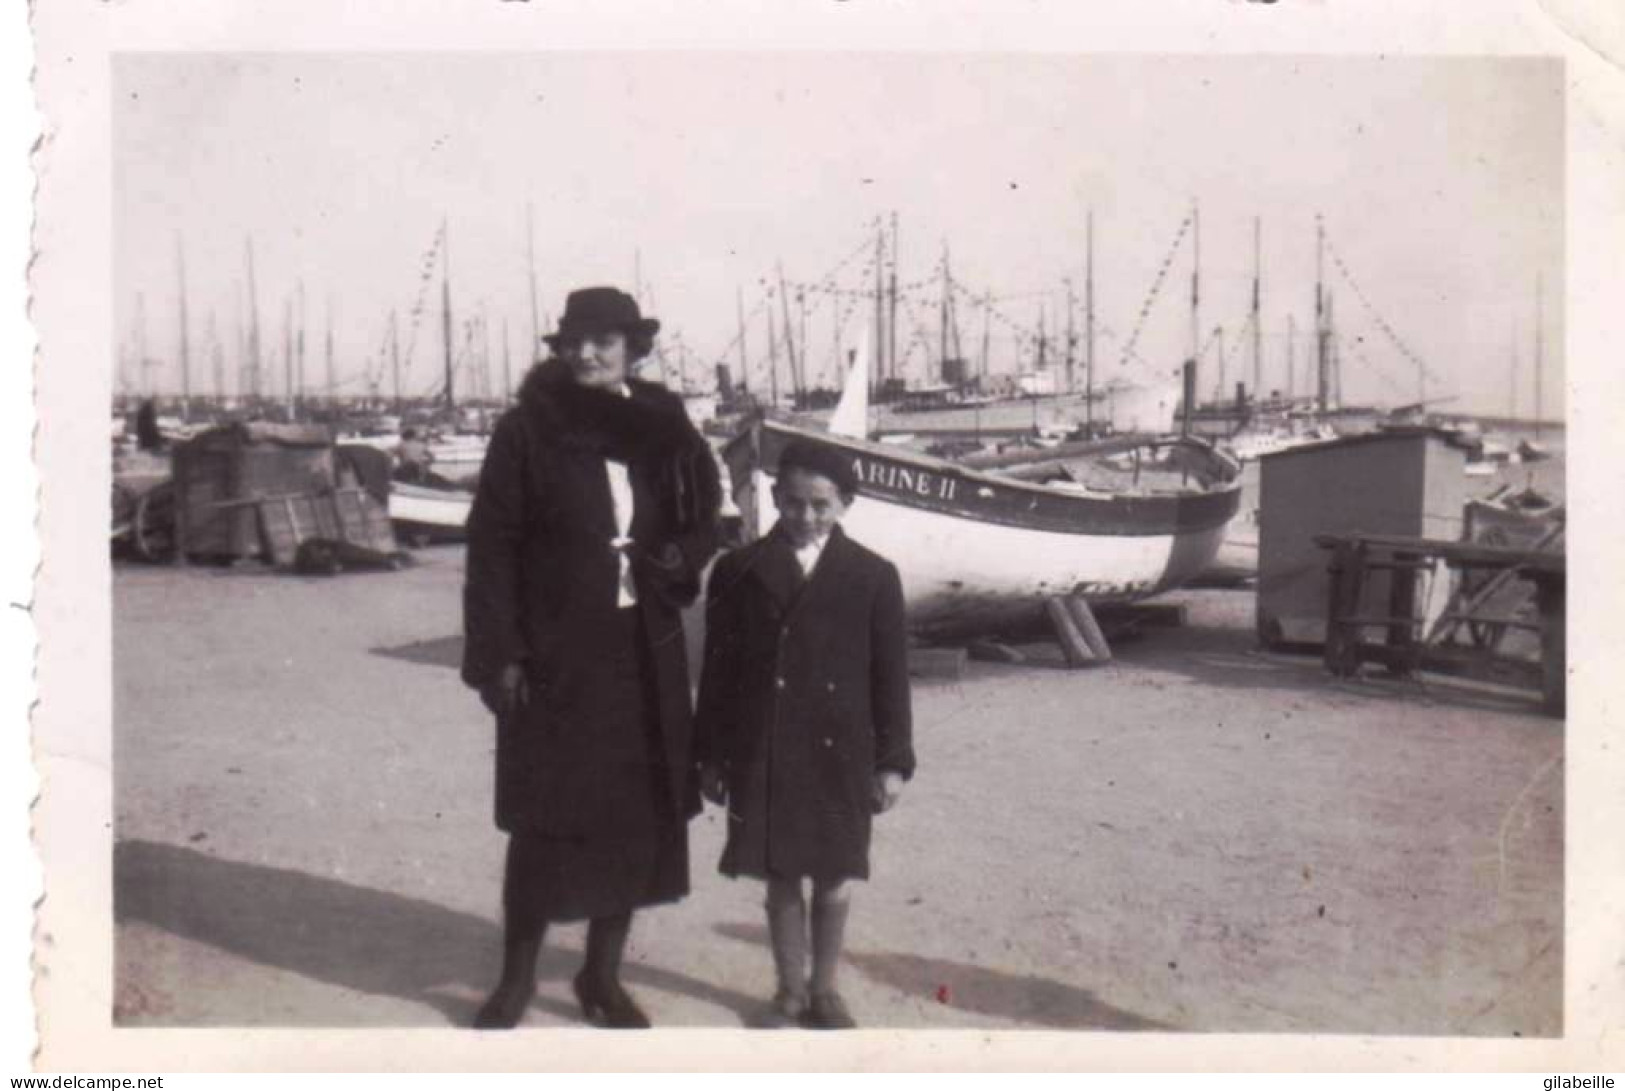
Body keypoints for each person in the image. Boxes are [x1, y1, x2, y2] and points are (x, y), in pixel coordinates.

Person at [461, 287, 722, 1029]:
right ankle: (514, 979)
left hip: (643, 646)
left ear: (632, 349)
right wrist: (500, 654)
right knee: (545, 814)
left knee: (635, 819)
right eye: (574, 340)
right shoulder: (525, 430)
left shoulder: (667, 426)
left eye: (603, 340)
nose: (586, 353)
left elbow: (705, 513)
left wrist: (678, 555)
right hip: (555, 650)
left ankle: (599, 978)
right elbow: (491, 547)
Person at [694, 440, 915, 1029]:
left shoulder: (873, 576)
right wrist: (710, 755)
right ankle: (789, 990)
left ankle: (826, 991)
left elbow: (891, 678)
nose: (805, 516)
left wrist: (892, 761)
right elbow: (716, 672)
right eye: (792, 503)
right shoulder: (736, 571)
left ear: (845, 503)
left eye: (821, 504)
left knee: (836, 870)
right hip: (762, 749)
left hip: (840, 753)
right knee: (782, 870)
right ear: (773, 498)